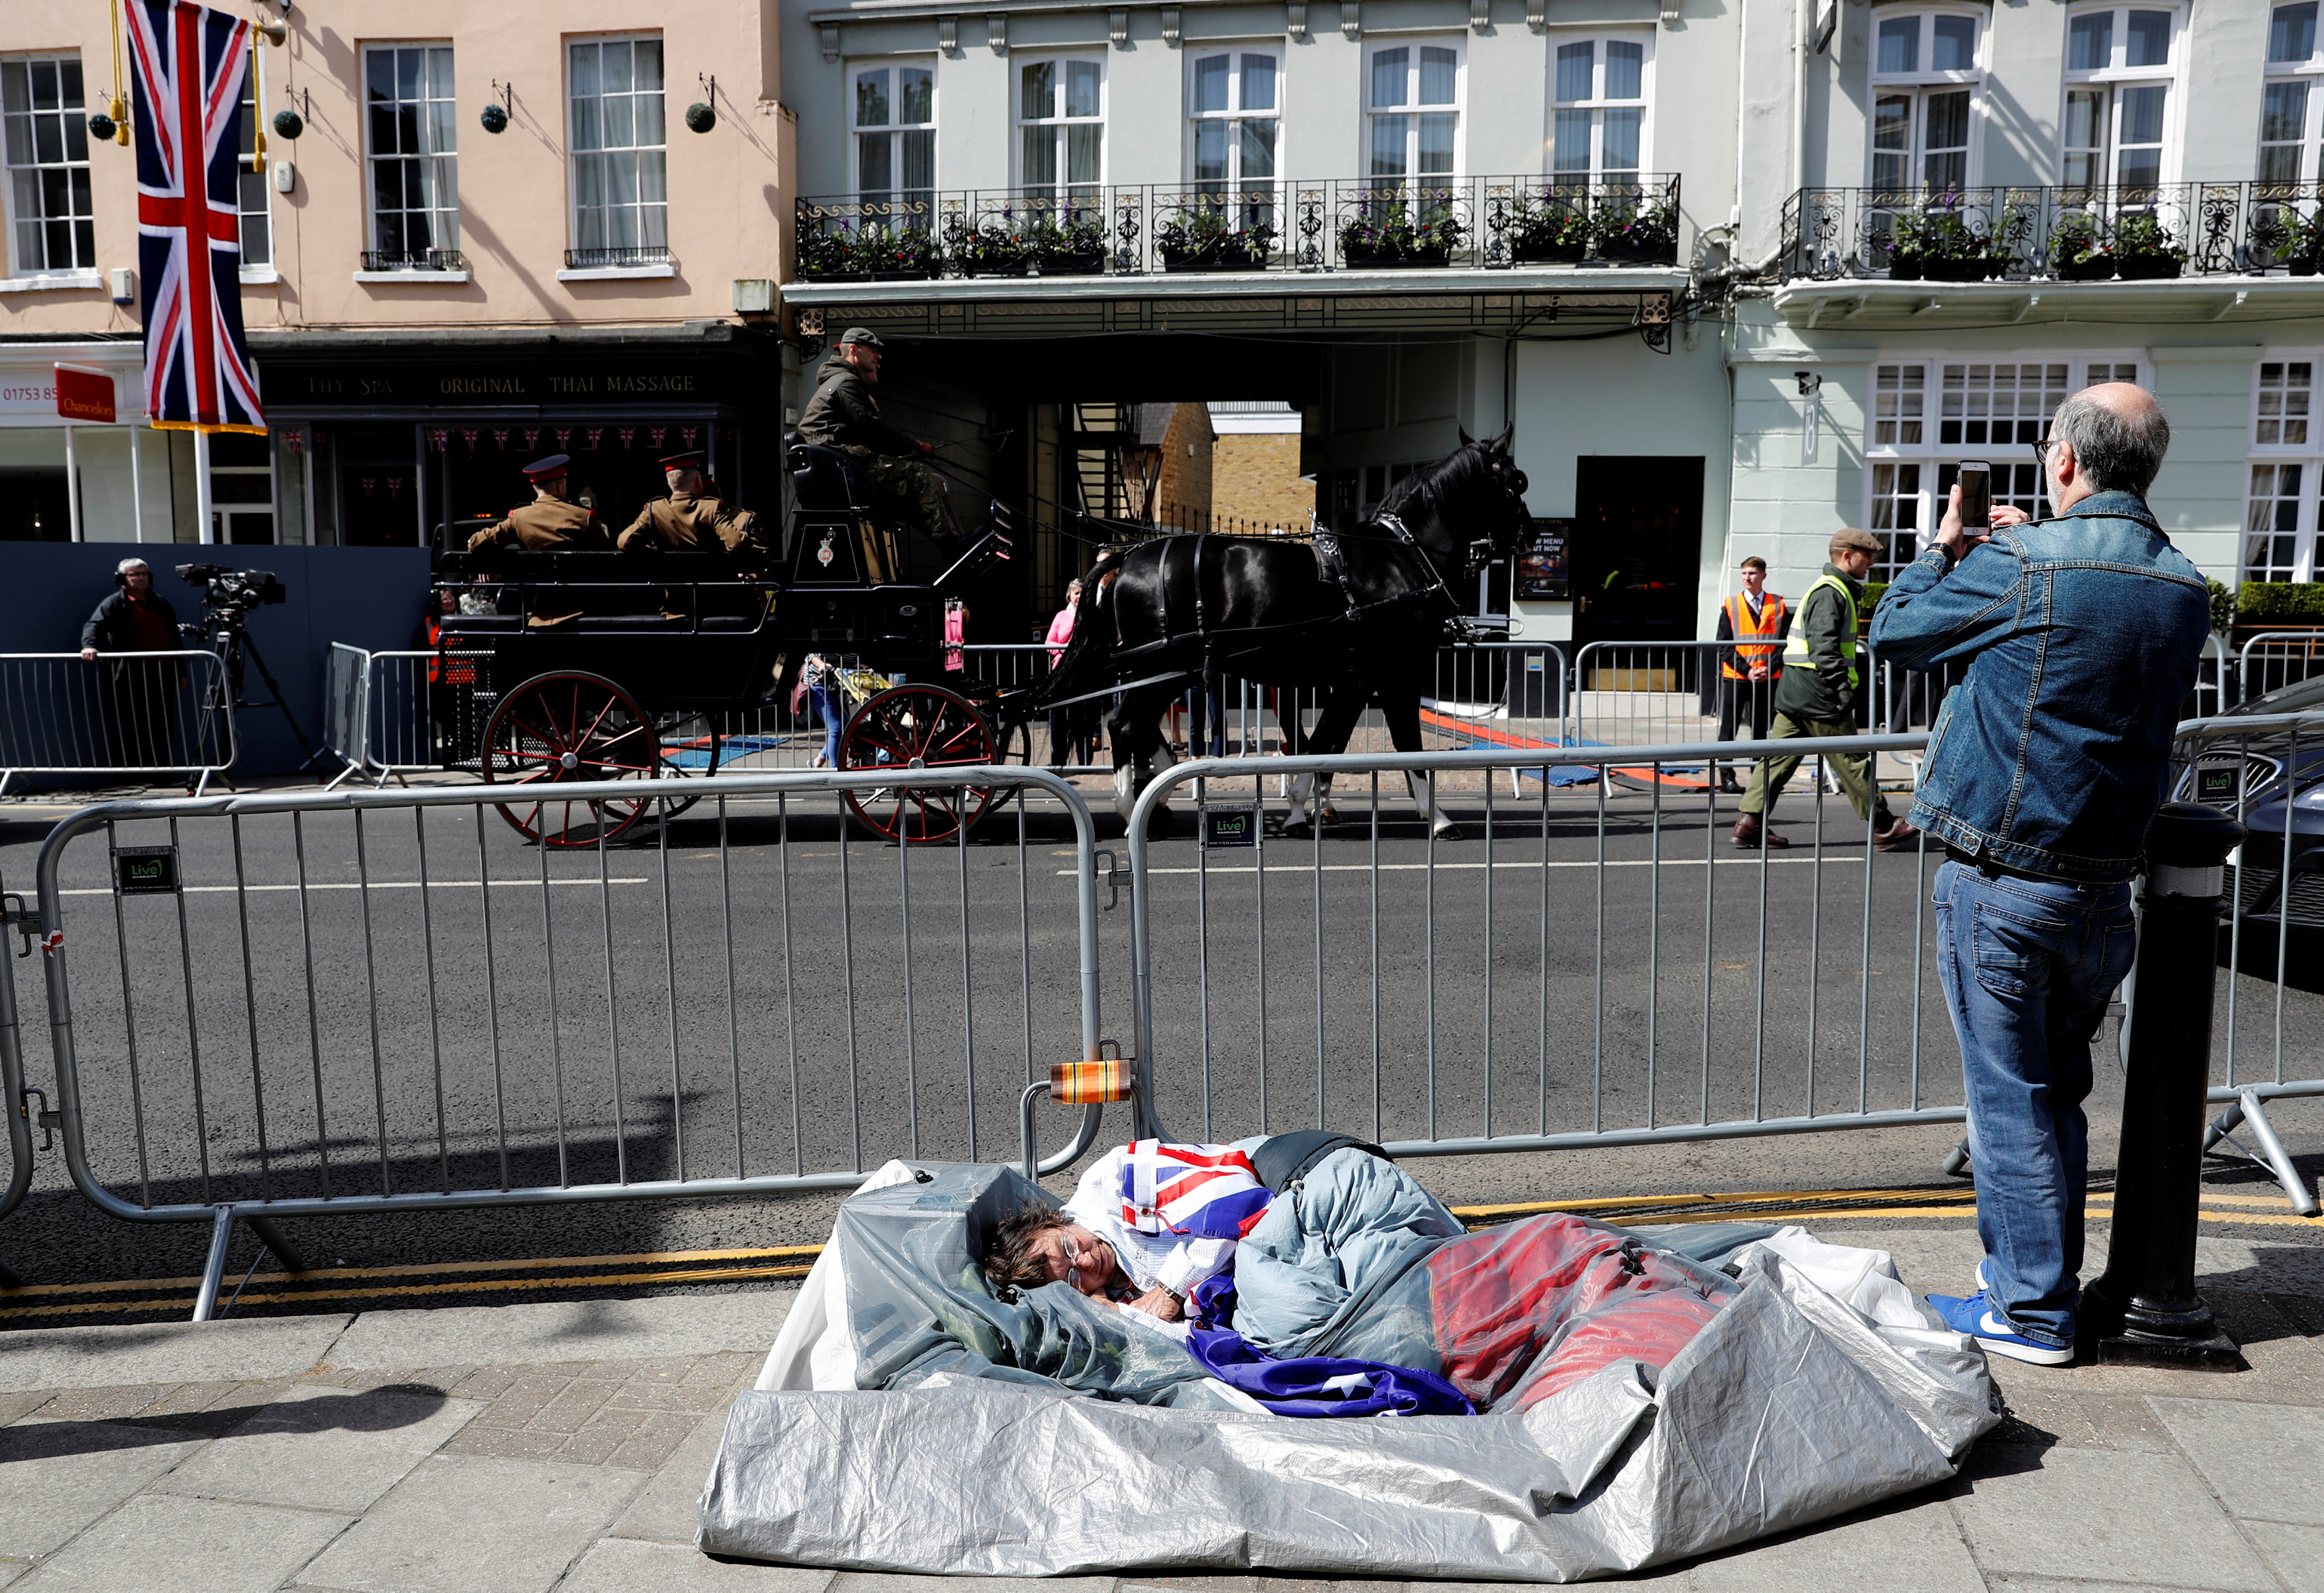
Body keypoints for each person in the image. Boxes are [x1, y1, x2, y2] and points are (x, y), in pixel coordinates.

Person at [1870, 382, 2208, 1366]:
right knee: (2057, 1092)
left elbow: (1898, 632)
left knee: (2007, 1100)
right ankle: (2035, 1278)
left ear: (2063, 461)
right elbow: (2086, 633)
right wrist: (2030, 547)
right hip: (2104, 890)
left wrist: (1946, 545)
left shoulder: (2022, 565)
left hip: (2004, 878)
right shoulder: (2182, 583)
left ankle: (2030, 1311)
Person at [1732, 529, 1916, 851]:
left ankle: (1749, 823)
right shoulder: (1832, 591)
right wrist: (1842, 690)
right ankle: (1884, 825)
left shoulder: (1831, 588)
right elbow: (1824, 649)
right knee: (1852, 759)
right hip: (1820, 694)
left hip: (1797, 690)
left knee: (1776, 759)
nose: (1871, 562)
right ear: (1847, 556)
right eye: (1866, 555)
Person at [796, 327, 958, 548]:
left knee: (910, 486)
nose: (878, 356)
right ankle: (951, 544)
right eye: (873, 350)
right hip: (843, 468)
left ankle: (950, 541)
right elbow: (873, 429)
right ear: (854, 350)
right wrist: (917, 446)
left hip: (839, 466)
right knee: (918, 474)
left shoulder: (841, 381)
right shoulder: (846, 382)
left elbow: (868, 432)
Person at [465, 454, 611, 626]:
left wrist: (490, 564)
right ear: (560, 486)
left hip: (541, 615)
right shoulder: (584, 517)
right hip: (586, 612)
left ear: (535, 489)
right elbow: (608, 559)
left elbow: (475, 543)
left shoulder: (518, 518)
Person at [79, 558, 185, 770]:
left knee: (163, 723)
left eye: (144, 574)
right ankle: (139, 771)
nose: (140, 578)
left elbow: (175, 637)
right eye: (134, 575)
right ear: (122, 579)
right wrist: (89, 645)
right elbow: (94, 625)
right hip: (133, 674)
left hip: (164, 672)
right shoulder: (115, 603)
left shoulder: (160, 603)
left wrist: (181, 672)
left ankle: (162, 769)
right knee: (136, 725)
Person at [1712, 556, 1785, 794]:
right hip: (1737, 676)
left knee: (1760, 729)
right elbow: (1724, 646)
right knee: (1729, 729)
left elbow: (1786, 644)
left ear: (1763, 575)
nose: (1747, 578)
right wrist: (1749, 670)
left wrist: (1768, 669)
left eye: (1752, 573)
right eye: (1744, 573)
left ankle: (1759, 777)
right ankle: (1727, 778)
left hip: (1767, 677)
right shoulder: (1731, 605)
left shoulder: (1778, 605)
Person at [615, 451, 767, 559]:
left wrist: (657, 553)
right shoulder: (712, 508)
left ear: (669, 484)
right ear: (697, 482)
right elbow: (737, 543)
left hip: (675, 597)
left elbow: (624, 542)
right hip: (712, 594)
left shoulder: (654, 510)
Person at [1044, 577, 1095, 768]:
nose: (1079, 596)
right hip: (1061, 672)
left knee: (1081, 719)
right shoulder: (1061, 617)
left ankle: (1085, 762)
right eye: (1076, 593)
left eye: (1083, 593)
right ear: (1069, 596)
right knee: (1058, 719)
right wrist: (1063, 649)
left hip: (1083, 672)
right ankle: (1058, 760)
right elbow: (1049, 643)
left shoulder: (1092, 615)